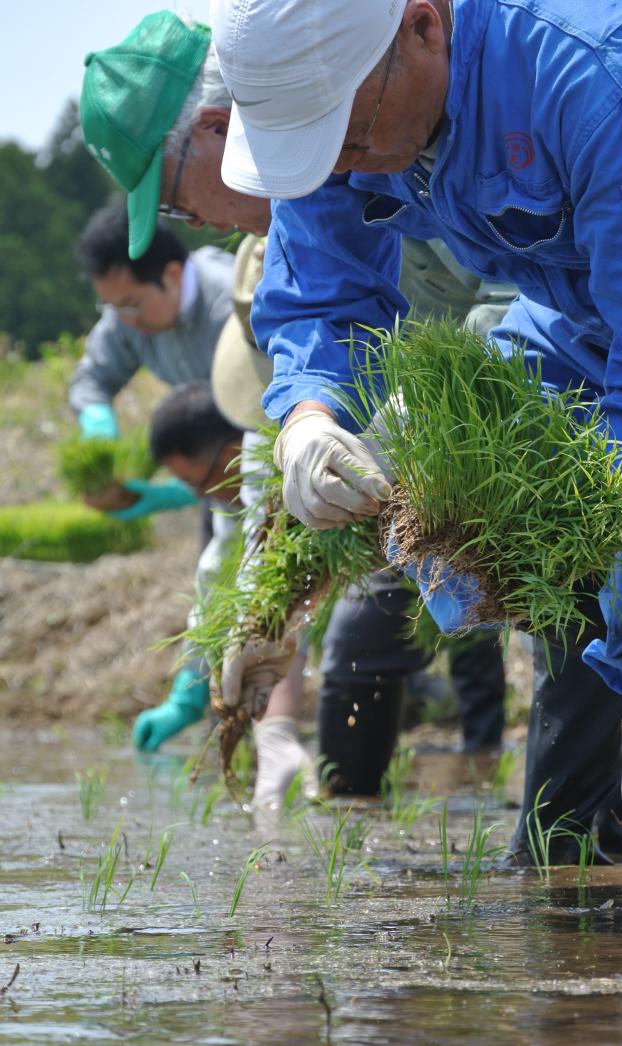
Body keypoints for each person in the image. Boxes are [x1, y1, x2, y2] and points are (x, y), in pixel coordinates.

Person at [210, 0, 622, 901]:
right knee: (435, 465)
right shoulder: (349, 97)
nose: (338, 166)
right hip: (597, 305)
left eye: (351, 135)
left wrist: (591, 529)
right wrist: (309, 428)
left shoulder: (605, 67)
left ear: (422, 26)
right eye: (313, 145)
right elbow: (320, 295)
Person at [79, 10, 509, 798]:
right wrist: (257, 639)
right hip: (432, 469)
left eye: (175, 204)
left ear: (213, 130)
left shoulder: (390, 135)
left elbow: (525, 296)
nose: (197, 227)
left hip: (559, 413)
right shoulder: (309, 212)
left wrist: (432, 412)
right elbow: (263, 493)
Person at [137, 379, 314, 807]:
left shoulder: (259, 453)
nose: (203, 496)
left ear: (229, 450)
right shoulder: (230, 495)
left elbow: (270, 579)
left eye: (198, 483)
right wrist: (190, 684)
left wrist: (277, 727)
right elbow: (215, 575)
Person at [70, 196, 234, 527]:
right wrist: (96, 420)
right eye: (112, 306)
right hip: (206, 481)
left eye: (130, 304)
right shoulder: (126, 315)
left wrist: (178, 491)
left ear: (172, 275)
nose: (124, 319)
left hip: (258, 467)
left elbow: (260, 421)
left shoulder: (230, 309)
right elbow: (92, 380)